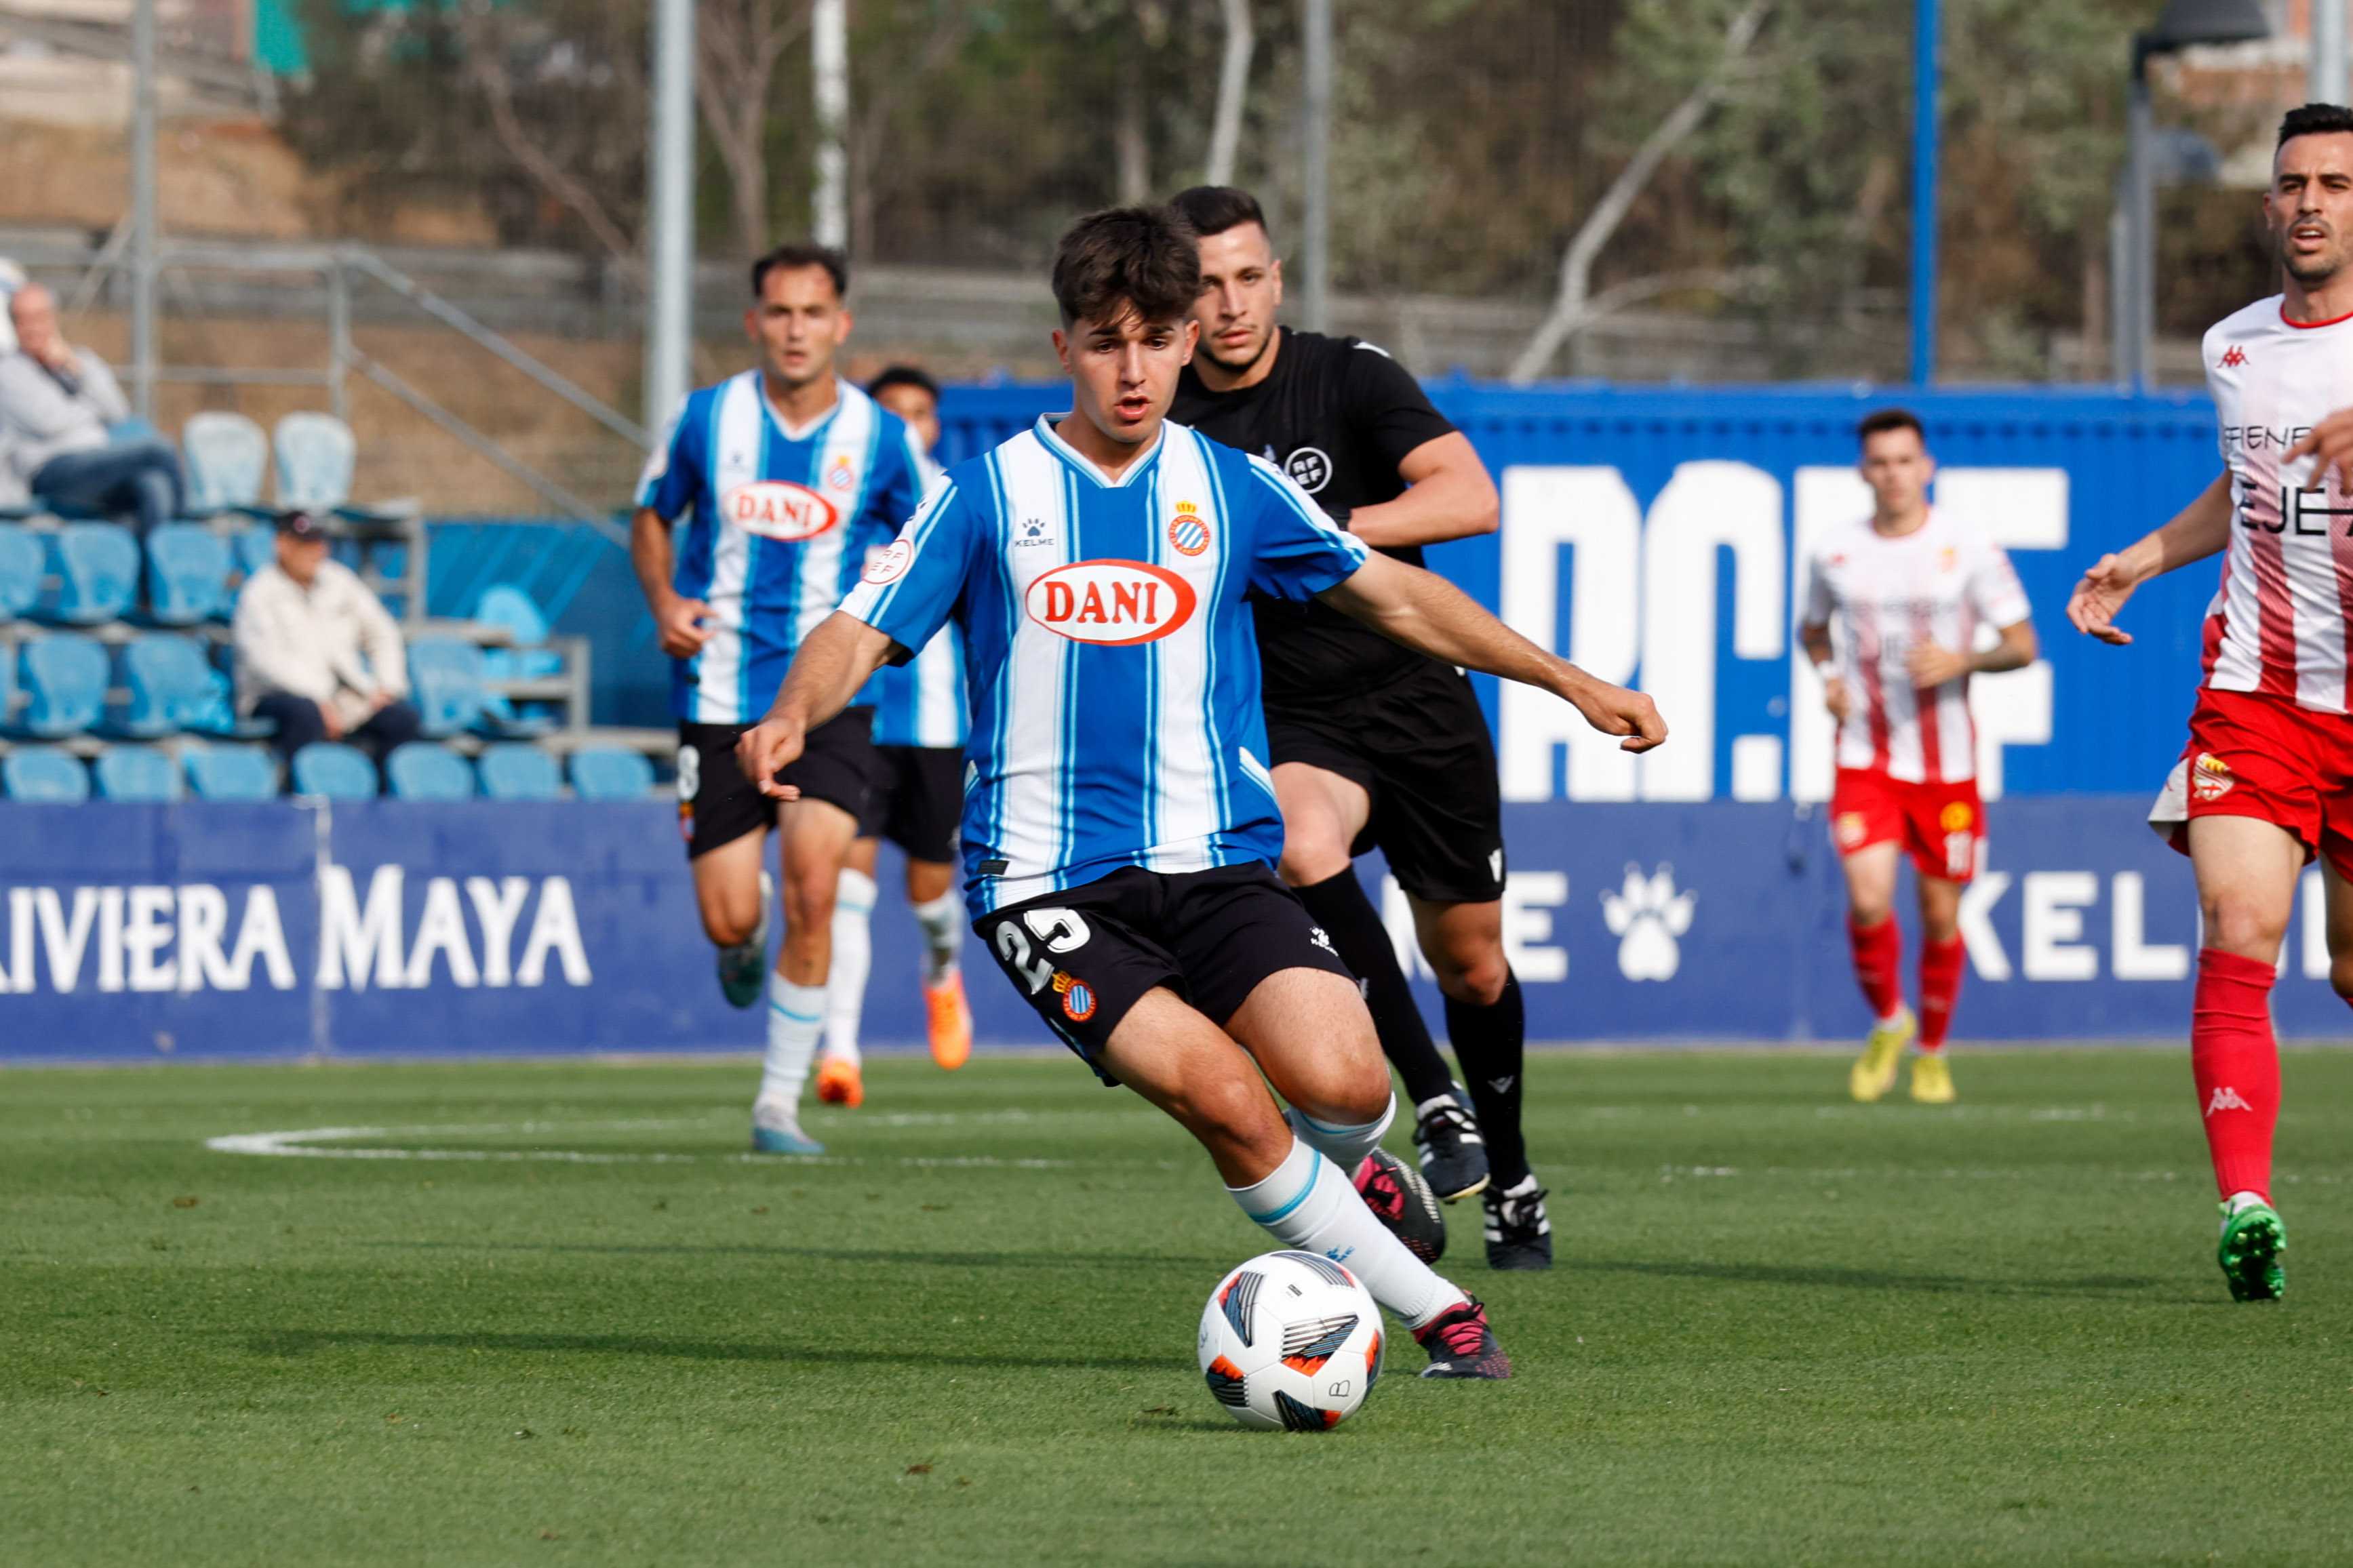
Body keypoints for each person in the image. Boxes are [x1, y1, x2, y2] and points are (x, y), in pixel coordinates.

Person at [735, 205, 1665, 1373]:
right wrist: (786, 709)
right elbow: (857, 629)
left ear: (1187, 344)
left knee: (1346, 1082)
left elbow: (1404, 598)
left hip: (1218, 864)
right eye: (1108, 339)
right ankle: (1441, 1312)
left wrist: (1570, 679)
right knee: (1228, 1095)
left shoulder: (1232, 490)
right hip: (1046, 884)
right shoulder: (988, 494)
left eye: (1159, 338)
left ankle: (1357, 1170)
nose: (1135, 368)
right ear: (1064, 343)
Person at [1166, 186, 1545, 1270]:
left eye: (1248, 277)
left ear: (1276, 278)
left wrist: (1307, 532)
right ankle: (1431, 1100)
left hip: (1419, 700)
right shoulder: (1171, 422)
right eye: (1205, 284)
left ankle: (1513, 1179)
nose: (1230, 305)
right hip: (1291, 714)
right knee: (1297, 841)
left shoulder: (1349, 375)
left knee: (1471, 964)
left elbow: (1468, 497)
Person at [2067, 102, 2353, 1303]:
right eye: (2292, 183)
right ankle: (2247, 1206)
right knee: (2240, 932)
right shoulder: (2233, 345)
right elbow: (2245, 488)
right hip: (2258, 700)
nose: (2309, 203)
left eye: (2335, 183)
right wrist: (2141, 553)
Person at [630, 243, 930, 1155]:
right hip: (717, 695)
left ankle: (776, 1106)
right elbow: (650, 513)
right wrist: (663, 601)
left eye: (813, 313)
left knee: (814, 886)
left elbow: (930, 538)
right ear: (754, 321)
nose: (795, 330)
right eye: (779, 312)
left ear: (841, 325)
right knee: (732, 917)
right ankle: (738, 938)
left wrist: (882, 625)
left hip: (830, 703)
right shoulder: (704, 420)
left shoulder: (880, 437)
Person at [1797, 409, 2036, 1106]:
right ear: (1861, 471)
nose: (1891, 475)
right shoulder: (1834, 551)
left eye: (1904, 461)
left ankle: (1931, 1049)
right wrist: (1828, 678)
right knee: (1868, 899)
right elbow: (1812, 631)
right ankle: (1888, 1022)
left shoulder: (1966, 548)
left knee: (1938, 916)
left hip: (1946, 768)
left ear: (1925, 467)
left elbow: (2021, 644)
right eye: (1879, 463)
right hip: (1864, 755)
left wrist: (1963, 658)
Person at [812, 364, 974, 1108]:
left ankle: (941, 972)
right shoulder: (845, 509)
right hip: (858, 719)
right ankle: (839, 1050)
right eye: (893, 414)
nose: (908, 427)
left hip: (938, 727)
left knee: (928, 895)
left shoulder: (958, 504)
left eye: (920, 413)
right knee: (848, 883)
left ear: (936, 425)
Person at [233, 510, 422, 771]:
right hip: (277, 697)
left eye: (319, 542)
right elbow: (266, 663)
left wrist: (387, 686)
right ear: (282, 545)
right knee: (305, 716)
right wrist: (320, 699)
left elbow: (382, 632)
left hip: (344, 696)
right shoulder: (259, 593)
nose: (315, 551)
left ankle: (378, 802)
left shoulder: (339, 581)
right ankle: (296, 798)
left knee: (401, 719)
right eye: (305, 543)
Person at [0, 283, 184, 534]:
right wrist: (93, 410)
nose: (34, 327)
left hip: (101, 465)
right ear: (14, 324)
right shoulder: (9, 372)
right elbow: (49, 421)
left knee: (154, 484)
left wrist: (74, 368)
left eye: (40, 317)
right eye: (24, 320)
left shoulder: (80, 361)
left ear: (53, 318)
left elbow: (118, 411)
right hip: (54, 472)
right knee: (160, 449)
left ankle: (155, 568)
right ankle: (183, 539)